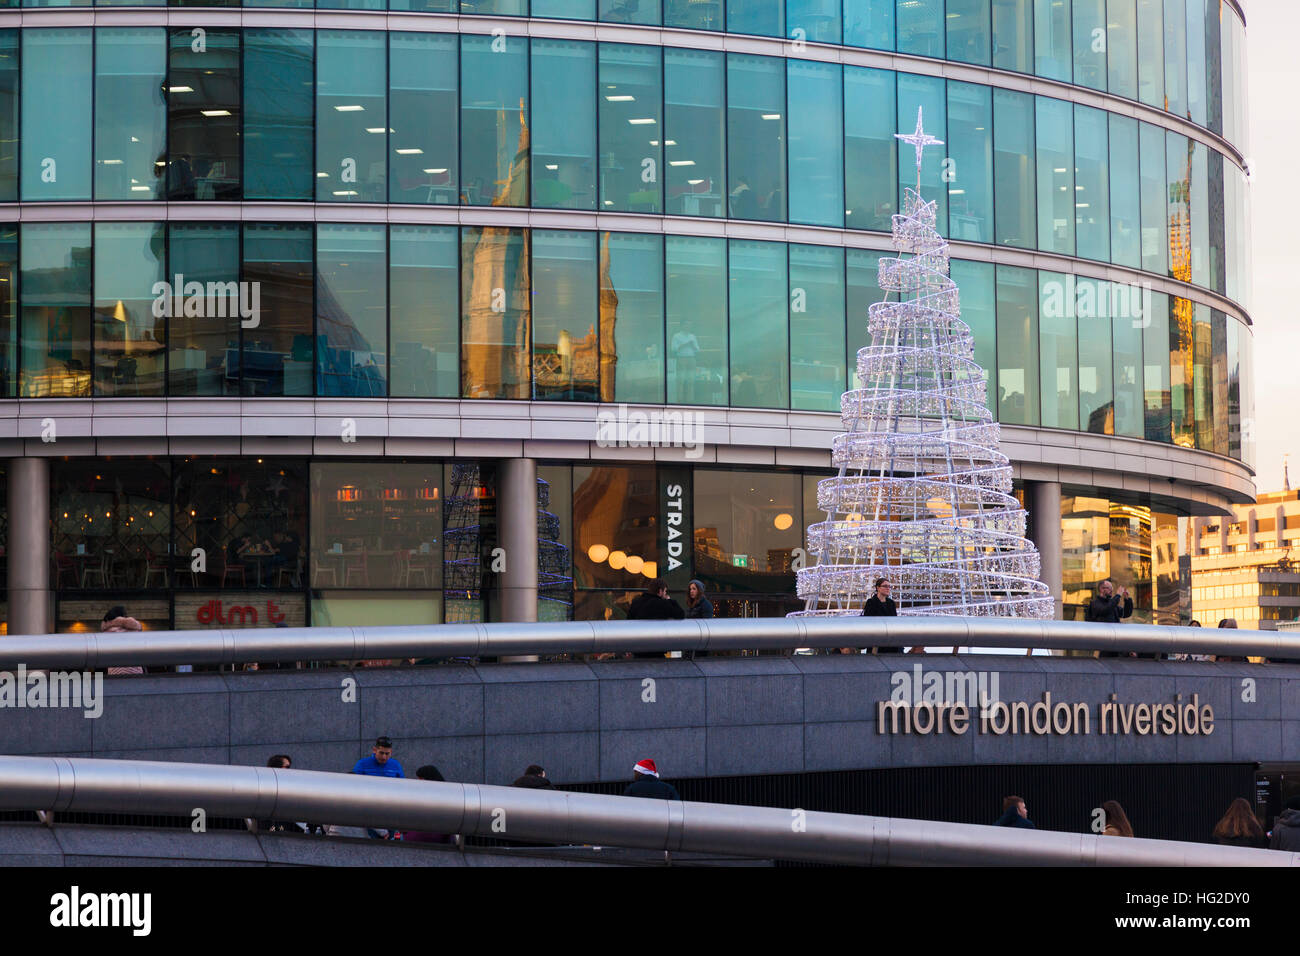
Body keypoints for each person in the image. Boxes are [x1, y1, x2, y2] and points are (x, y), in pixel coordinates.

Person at [403, 766, 455, 845]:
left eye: (421, 780)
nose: (418, 783)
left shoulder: (430, 796)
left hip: (426, 836)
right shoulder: (447, 795)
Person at [1089, 580, 1135, 658]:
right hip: (1104, 641)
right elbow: (1105, 610)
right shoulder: (1095, 603)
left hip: (1115, 640)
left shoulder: (1112, 604)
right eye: (1109, 588)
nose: (1112, 590)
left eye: (1112, 588)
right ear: (1102, 589)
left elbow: (1126, 614)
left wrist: (1127, 600)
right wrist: (1117, 596)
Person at [860, 578, 901, 654]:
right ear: (878, 588)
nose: (888, 588)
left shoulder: (891, 603)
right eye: (885, 586)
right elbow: (868, 621)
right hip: (876, 639)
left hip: (890, 640)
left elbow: (894, 620)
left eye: (889, 586)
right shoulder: (871, 602)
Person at [101, 606, 144, 676]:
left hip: (114, 671)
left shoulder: (107, 633)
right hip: (135, 670)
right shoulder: (133, 630)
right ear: (124, 616)